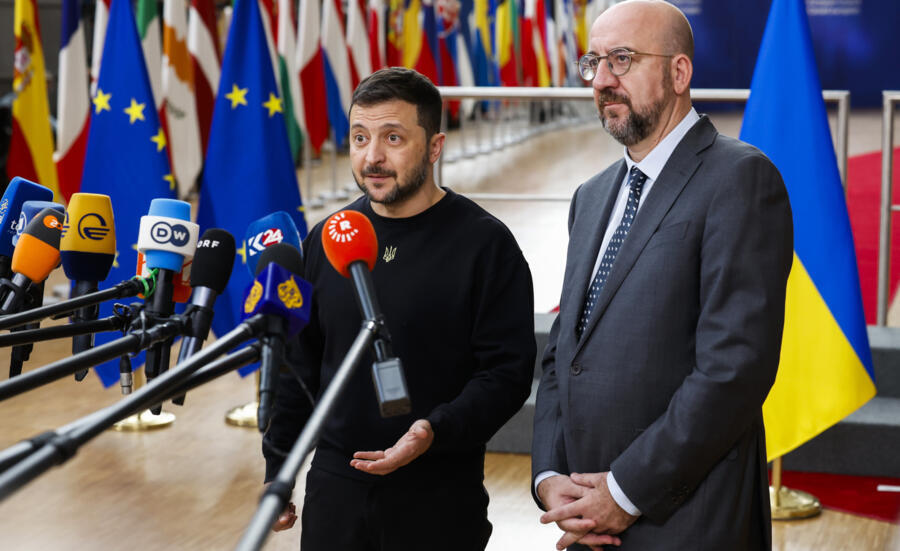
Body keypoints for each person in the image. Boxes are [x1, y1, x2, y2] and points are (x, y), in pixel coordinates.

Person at [531, 1, 793, 549]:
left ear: (679, 72)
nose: (602, 80)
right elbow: (564, 350)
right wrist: (549, 476)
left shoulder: (741, 179)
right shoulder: (593, 194)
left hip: (687, 520)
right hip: (582, 518)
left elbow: (733, 371)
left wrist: (624, 493)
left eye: (622, 60)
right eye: (594, 62)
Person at [263, 67, 537, 550]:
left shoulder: (485, 245)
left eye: (393, 138)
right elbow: (297, 366)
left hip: (437, 493)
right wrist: (278, 469)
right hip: (336, 492)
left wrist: (433, 431)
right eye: (360, 137)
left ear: (434, 147)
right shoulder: (327, 239)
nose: (373, 157)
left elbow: (506, 373)